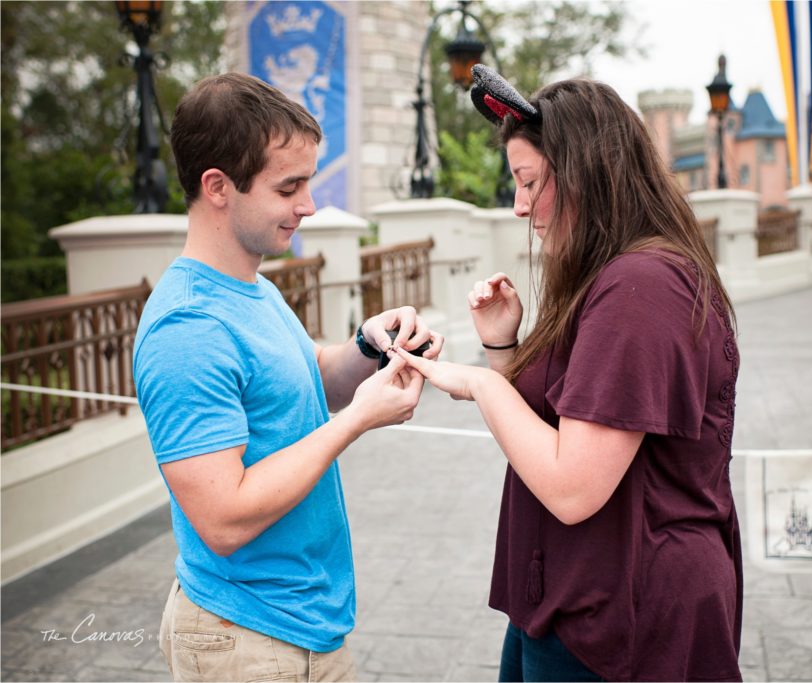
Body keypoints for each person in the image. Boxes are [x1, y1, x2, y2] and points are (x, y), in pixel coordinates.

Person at [396, 66, 743, 682]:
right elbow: (552, 433)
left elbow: (573, 488)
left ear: (587, 172)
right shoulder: (614, 278)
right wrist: (504, 346)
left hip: (626, 622)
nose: (519, 205)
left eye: (529, 182)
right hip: (573, 602)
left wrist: (481, 381)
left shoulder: (640, 287)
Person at [133, 72, 441, 682]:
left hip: (300, 627)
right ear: (217, 187)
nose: (308, 205)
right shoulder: (187, 328)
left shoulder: (253, 286)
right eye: (289, 186)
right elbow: (223, 520)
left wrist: (368, 347)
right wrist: (358, 419)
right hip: (248, 640)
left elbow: (305, 380)